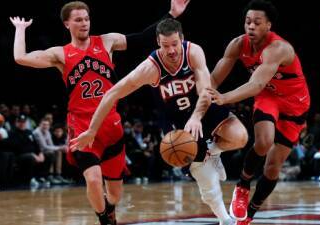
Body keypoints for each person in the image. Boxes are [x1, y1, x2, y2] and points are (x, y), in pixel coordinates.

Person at [10, 1, 190, 224]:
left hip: (110, 125)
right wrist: (20, 29)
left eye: (86, 18)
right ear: (67, 24)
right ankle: (104, 219)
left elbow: (142, 37)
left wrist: (172, 14)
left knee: (114, 194)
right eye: (78, 20)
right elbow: (21, 57)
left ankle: (109, 208)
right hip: (81, 126)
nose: (84, 23)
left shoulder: (107, 41)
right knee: (93, 179)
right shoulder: (61, 54)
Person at [71, 18, 248, 225]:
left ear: (181, 39)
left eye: (174, 44)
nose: (171, 50)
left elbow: (205, 90)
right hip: (178, 123)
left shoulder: (193, 52)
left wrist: (197, 116)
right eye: (165, 46)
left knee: (240, 137)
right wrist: (92, 130)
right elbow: (112, 93)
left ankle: (214, 151)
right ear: (158, 43)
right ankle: (225, 220)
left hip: (202, 108)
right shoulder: (150, 68)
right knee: (205, 177)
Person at [206, 0, 310, 224]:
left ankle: (249, 216)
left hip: (294, 104)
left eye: (257, 22)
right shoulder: (237, 44)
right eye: (247, 22)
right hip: (269, 97)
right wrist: (203, 100)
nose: (250, 26)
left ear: (268, 26)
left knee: (273, 167)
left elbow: (256, 85)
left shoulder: (279, 48)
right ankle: (242, 185)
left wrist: (223, 98)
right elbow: (213, 79)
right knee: (263, 141)